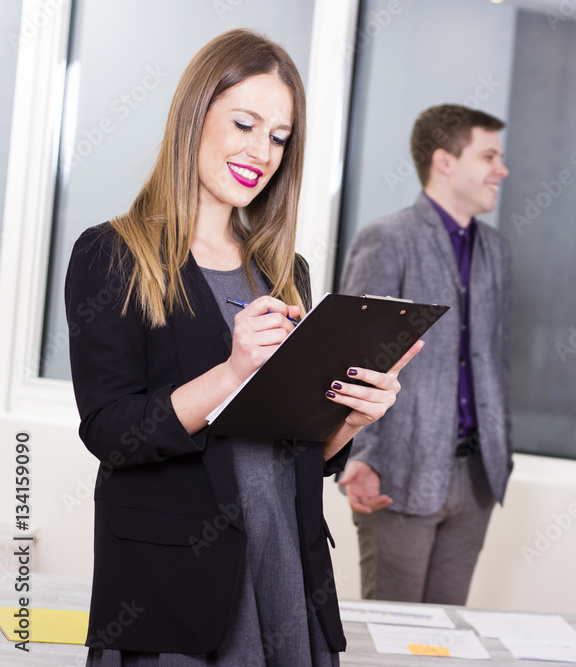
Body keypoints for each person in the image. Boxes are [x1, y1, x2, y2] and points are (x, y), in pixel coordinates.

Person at [65, 29, 420, 665]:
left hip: (287, 573)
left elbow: (298, 451)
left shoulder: (287, 273)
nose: (262, 151)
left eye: (279, 137)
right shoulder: (112, 254)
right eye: (245, 124)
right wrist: (233, 371)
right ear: (195, 115)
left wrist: (352, 416)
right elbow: (112, 433)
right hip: (174, 589)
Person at [338, 104, 512, 605]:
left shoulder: (497, 251)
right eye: (489, 155)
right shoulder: (388, 238)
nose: (501, 169)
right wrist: (362, 457)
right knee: (392, 642)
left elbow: (495, 360)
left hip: (478, 476)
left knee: (447, 642)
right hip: (398, 471)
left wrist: (502, 452)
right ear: (446, 161)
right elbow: (356, 359)